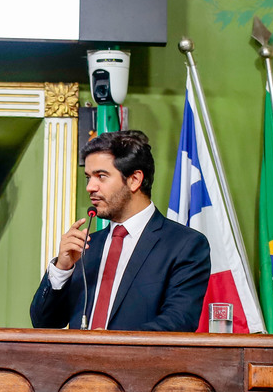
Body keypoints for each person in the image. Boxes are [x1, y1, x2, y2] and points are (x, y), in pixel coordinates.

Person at [30, 130, 210, 332]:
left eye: (101, 176)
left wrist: (112, 342)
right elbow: (44, 324)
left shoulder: (184, 244)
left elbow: (179, 321)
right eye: (88, 177)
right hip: (78, 363)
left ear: (134, 180)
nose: (90, 187)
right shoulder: (85, 246)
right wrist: (62, 268)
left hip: (139, 363)